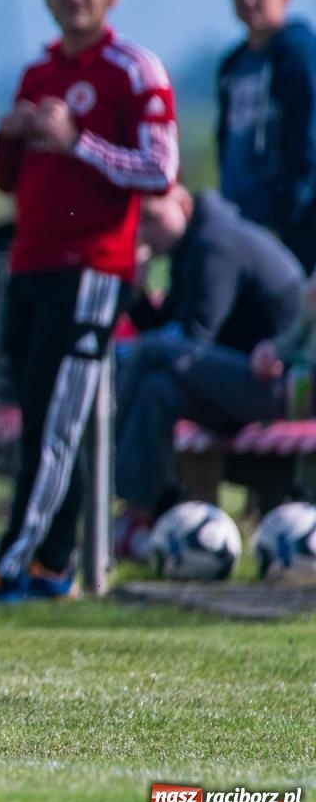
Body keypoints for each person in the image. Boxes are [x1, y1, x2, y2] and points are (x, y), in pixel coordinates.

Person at [0, 0, 177, 603]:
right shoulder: (39, 70)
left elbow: (158, 170)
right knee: (39, 416)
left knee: (56, 425)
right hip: (31, 263)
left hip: (90, 268)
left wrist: (78, 141)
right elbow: (3, 175)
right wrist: (11, 133)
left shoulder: (133, 70)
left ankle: (8, 567)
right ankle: (50, 566)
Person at [112, 184, 304, 553]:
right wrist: (134, 291)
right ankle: (138, 516)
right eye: (136, 224)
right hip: (241, 384)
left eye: (151, 218)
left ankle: (105, 472)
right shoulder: (190, 249)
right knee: (157, 390)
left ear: (183, 203)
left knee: (151, 353)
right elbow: (172, 337)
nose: (144, 232)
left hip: (286, 386)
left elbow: (194, 338)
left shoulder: (216, 243)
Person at [217, 0, 316, 272]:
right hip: (241, 215)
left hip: (292, 223)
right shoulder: (233, 65)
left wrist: (288, 213)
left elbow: (307, 138)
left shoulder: (299, 53)